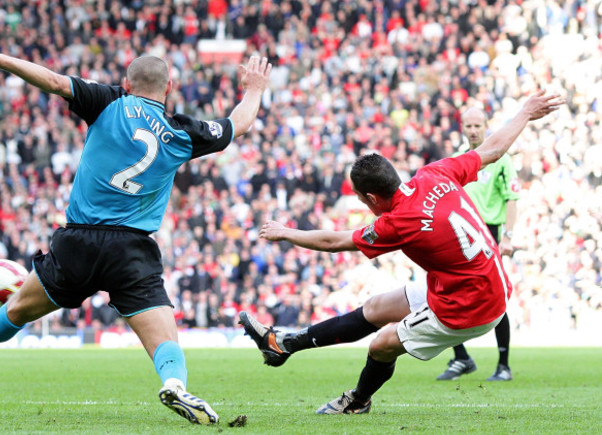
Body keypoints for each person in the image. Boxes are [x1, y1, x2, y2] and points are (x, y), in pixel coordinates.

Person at [0, 38, 271, 425]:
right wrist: (254, 90)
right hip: (132, 250)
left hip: (78, 242)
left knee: (17, 309)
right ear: (168, 88)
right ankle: (173, 383)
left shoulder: (108, 101)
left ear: (127, 82)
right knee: (164, 337)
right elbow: (239, 124)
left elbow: (53, 81)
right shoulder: (183, 132)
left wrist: (1, 60)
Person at [239, 91, 562, 414]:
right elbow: (492, 149)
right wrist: (525, 112)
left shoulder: (397, 222)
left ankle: (357, 400)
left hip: (471, 305)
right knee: (377, 307)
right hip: (479, 282)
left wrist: (287, 233)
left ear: (372, 198)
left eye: (362, 200)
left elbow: (333, 242)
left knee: (382, 344)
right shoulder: (435, 173)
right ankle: (283, 345)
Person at [436, 107, 520, 382]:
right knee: (445, 292)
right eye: (468, 125)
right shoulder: (459, 158)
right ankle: (461, 358)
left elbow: (511, 199)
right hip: (462, 234)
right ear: (462, 127)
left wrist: (507, 236)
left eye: (477, 125)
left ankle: (504, 364)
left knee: (495, 295)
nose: (473, 130)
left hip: (491, 233)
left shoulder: (501, 158)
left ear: (486, 126)